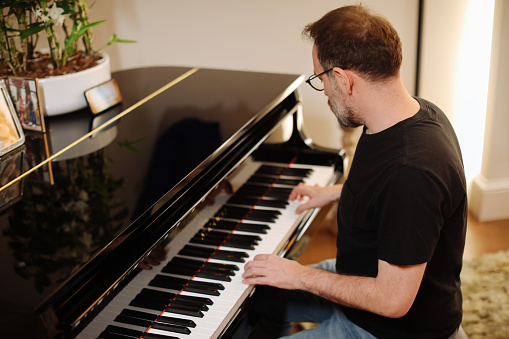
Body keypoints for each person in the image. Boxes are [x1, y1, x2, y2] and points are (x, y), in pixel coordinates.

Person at [241, 4, 467, 339]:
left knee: (281, 281)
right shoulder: (411, 114)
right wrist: (334, 191)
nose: (326, 94)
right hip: (363, 273)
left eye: (321, 79)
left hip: (390, 326)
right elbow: (387, 194)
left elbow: (392, 301)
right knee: (260, 295)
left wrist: (300, 276)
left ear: (344, 79)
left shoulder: (412, 171)